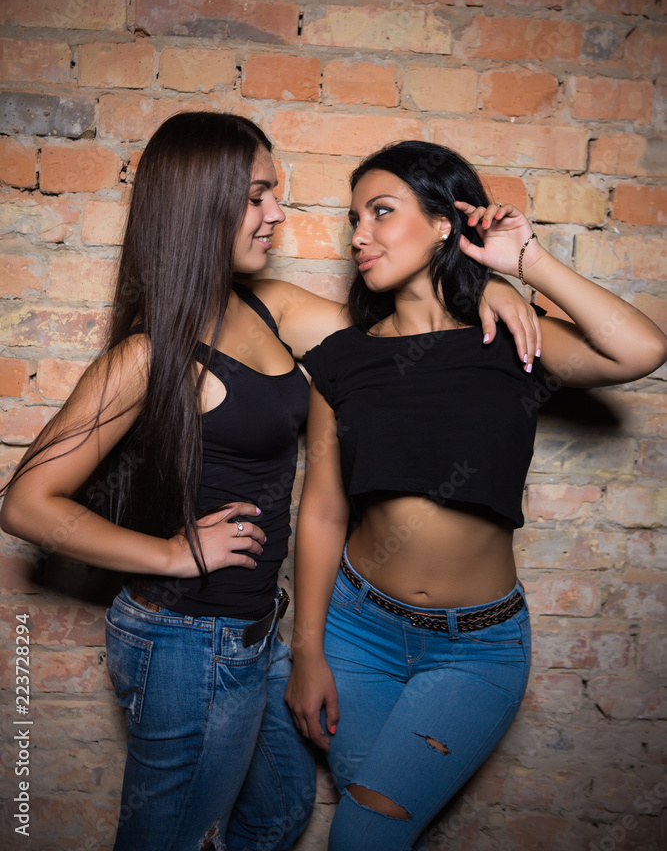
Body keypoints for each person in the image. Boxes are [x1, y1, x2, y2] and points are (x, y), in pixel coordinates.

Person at [0, 117, 541, 851]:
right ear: (205, 204)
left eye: (274, 195)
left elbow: (401, 342)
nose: (278, 215)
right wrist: (168, 555)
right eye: (258, 196)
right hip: (185, 639)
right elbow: (26, 503)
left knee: (281, 812)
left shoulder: (267, 307)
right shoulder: (148, 355)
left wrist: (485, 289)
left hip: (255, 633)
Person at [284, 140, 667, 851]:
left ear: (441, 225)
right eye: (353, 219)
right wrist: (307, 652)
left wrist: (525, 264)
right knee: (381, 834)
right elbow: (323, 511)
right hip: (355, 633)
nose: (359, 234)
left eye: (381, 212)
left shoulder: (510, 339)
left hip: (476, 648)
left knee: (361, 834)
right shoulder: (342, 360)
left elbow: (638, 351)